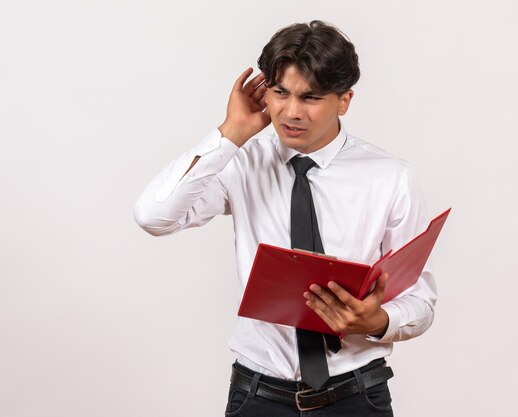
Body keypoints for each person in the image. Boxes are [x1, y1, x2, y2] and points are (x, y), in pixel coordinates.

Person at [134, 20, 436, 416]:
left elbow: (421, 300)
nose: (291, 112)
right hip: (257, 397)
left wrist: (378, 319)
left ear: (344, 100)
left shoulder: (390, 176)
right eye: (280, 93)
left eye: (310, 97)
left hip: (356, 397)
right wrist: (229, 134)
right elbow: (154, 216)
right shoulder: (241, 162)